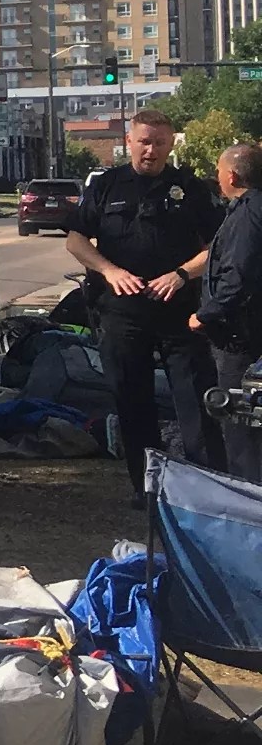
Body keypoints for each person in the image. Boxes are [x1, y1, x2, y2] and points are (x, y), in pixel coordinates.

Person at [66, 113, 222, 504]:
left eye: (159, 143)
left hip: (179, 311)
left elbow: (216, 247)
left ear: (170, 145)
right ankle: (148, 488)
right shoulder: (106, 185)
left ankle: (203, 493)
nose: (151, 150)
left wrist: (181, 275)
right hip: (122, 312)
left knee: (195, 402)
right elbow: (75, 239)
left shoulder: (190, 188)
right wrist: (109, 270)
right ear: (129, 141)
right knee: (132, 403)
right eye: (144, 142)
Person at [194, 143, 262, 484]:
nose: (217, 177)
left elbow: (238, 275)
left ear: (232, 175)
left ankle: (248, 497)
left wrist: (206, 314)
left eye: (219, 171)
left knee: (240, 424)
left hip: (240, 340)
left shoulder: (248, 215)